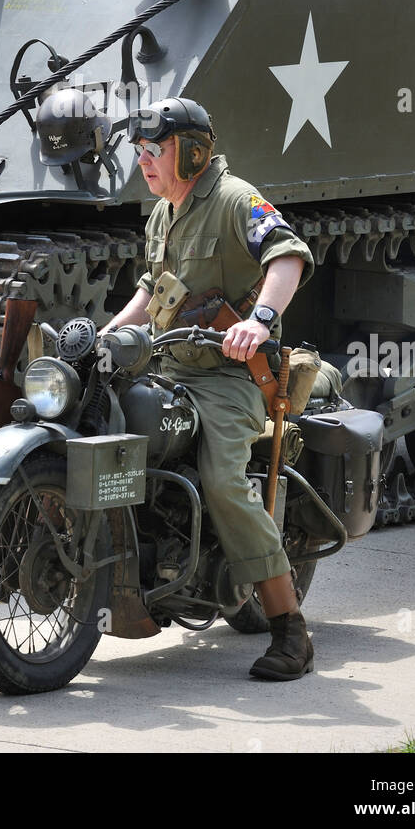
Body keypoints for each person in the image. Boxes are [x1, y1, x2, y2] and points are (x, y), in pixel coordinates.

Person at [105, 98, 317, 681]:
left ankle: (290, 631)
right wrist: (106, 336)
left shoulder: (233, 199)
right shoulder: (163, 213)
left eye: (156, 150)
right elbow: (154, 291)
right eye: (140, 151)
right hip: (169, 368)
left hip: (229, 378)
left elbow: (287, 256)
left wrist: (262, 322)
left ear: (192, 152)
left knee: (224, 481)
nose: (144, 161)